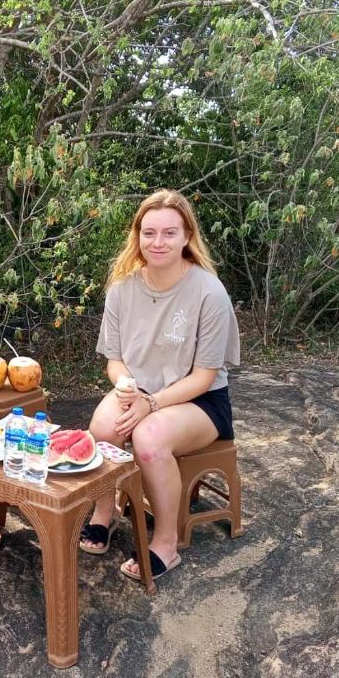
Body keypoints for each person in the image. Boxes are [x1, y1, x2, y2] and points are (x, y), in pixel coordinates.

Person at [79, 189, 240, 581]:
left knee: (149, 440)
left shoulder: (209, 292)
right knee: (100, 429)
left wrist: (150, 405)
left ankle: (166, 543)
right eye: (148, 233)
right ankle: (106, 511)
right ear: (136, 236)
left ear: (187, 236)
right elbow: (114, 361)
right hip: (139, 391)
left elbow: (204, 376)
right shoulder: (121, 289)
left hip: (199, 401)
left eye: (170, 233)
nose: (158, 242)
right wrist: (124, 387)